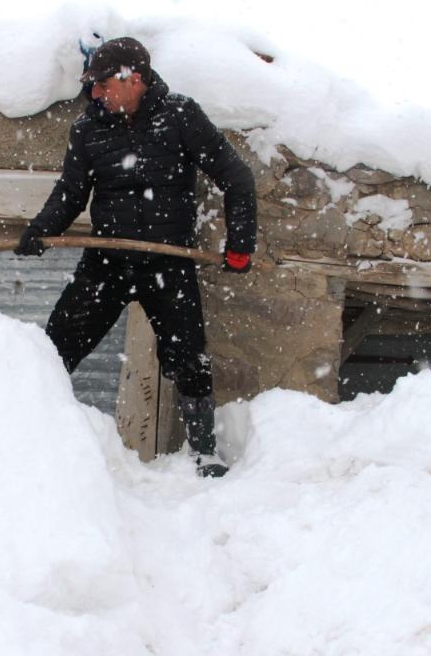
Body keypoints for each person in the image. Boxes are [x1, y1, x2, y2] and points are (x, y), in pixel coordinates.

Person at [14, 37, 257, 478]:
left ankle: (205, 453)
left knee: (190, 360)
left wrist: (240, 245)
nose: (95, 94)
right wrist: (40, 230)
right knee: (54, 347)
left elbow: (236, 178)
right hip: (108, 260)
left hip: (167, 261)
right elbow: (71, 193)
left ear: (135, 78)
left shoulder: (180, 115)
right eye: (91, 86)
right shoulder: (88, 129)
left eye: (102, 84)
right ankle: (22, 431)